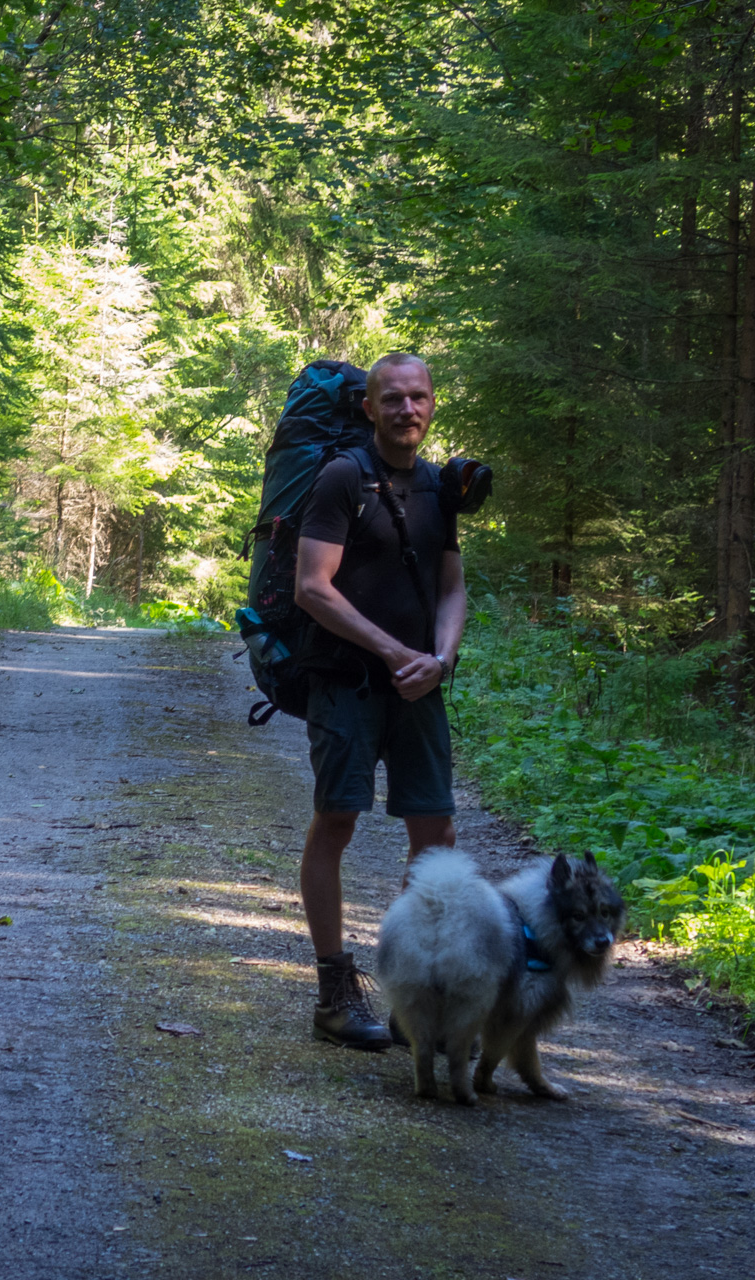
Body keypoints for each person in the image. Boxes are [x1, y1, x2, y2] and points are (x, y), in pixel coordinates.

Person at [292, 353, 466, 1051]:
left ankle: (409, 987)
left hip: (421, 684)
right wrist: (393, 653)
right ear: (369, 408)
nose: (407, 409)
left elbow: (453, 587)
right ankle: (335, 993)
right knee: (336, 820)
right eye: (391, 398)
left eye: (418, 397)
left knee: (437, 836)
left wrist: (441, 658)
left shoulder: (439, 486)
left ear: (432, 403)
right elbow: (312, 585)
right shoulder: (343, 478)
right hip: (349, 681)